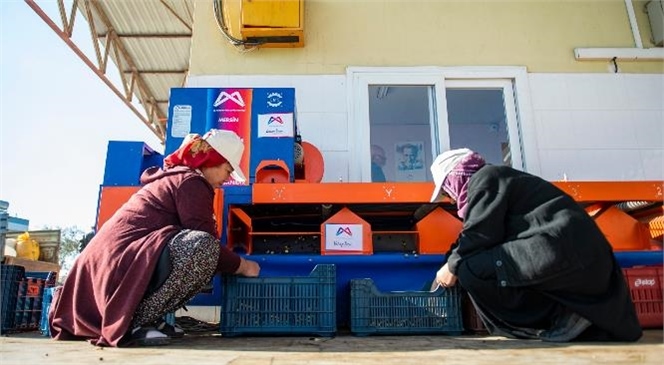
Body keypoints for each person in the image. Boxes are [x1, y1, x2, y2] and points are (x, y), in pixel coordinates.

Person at [48, 129, 261, 347]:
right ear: (212, 159)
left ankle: (147, 318)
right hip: (112, 269)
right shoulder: (191, 182)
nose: (226, 180)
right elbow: (206, 240)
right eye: (227, 170)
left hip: (105, 268)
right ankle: (130, 322)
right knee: (202, 247)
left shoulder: (178, 177)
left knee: (201, 250)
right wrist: (243, 265)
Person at [430, 148, 642, 342]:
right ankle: (565, 316)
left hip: (561, 250)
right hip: (575, 257)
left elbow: (479, 236)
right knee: (468, 262)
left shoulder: (486, 179)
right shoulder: (496, 181)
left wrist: (451, 267)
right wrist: (444, 268)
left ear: (455, 177)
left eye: (447, 192)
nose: (450, 200)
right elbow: (469, 237)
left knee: (470, 269)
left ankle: (560, 316)